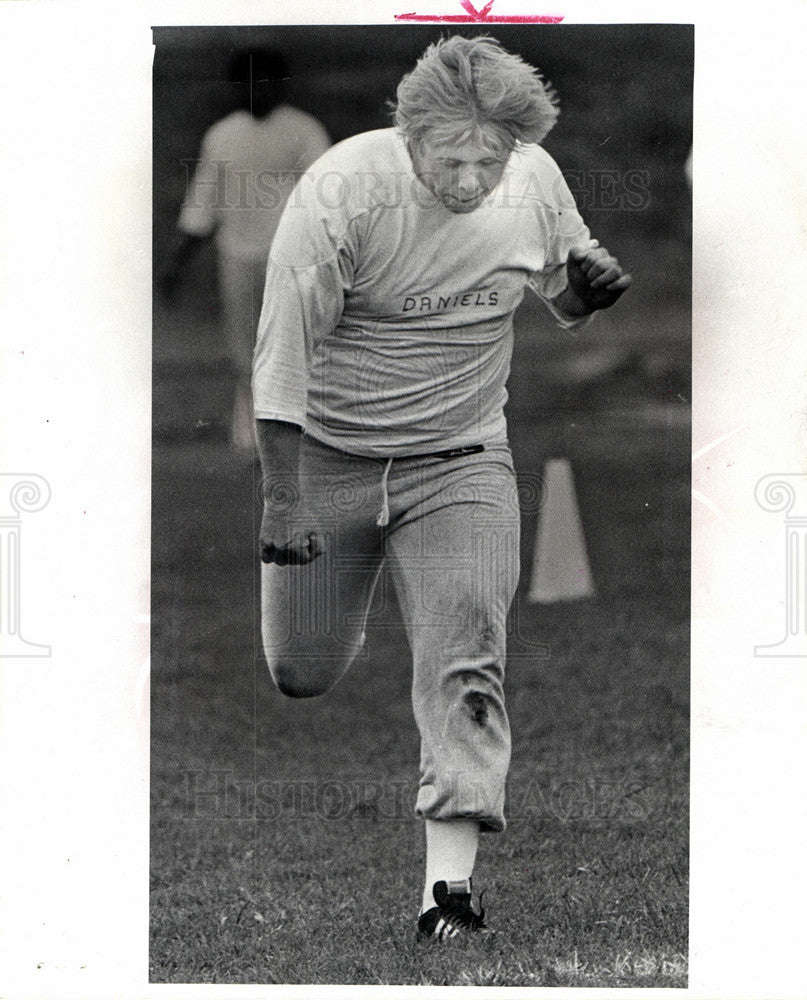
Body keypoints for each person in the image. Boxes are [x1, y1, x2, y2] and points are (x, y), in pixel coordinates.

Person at [253, 34, 631, 940]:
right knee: (299, 672)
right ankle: (343, 585)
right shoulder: (342, 194)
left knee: (468, 650)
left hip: (460, 456)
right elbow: (281, 358)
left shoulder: (532, 179)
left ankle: (447, 897)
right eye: (449, 159)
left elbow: (563, 296)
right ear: (407, 134)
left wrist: (589, 294)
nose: (469, 179)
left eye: (487, 161)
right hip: (332, 456)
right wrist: (283, 498)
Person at [160, 48, 330, 453]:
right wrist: (176, 265)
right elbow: (202, 205)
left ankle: (310, 435)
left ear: (280, 86)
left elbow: (328, 200)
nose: (257, 91)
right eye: (249, 83)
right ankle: (252, 439)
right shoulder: (222, 134)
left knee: (295, 345)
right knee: (245, 350)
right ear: (237, 88)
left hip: (292, 260)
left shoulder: (303, 131)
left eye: (266, 82)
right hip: (237, 256)